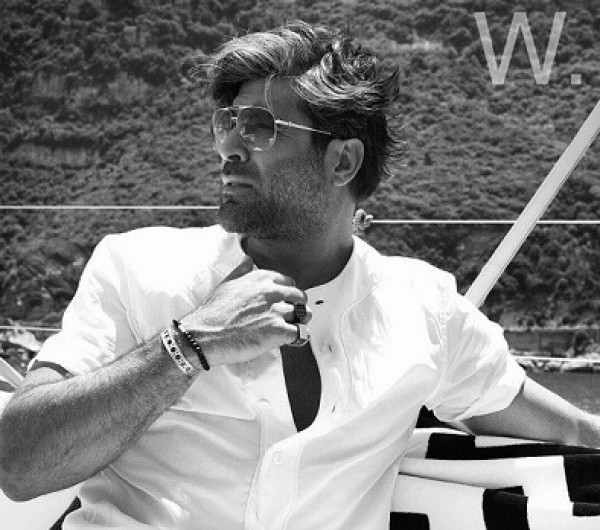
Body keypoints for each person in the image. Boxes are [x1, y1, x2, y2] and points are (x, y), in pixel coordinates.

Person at [0, 21, 598, 530]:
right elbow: (19, 465)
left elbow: (569, 429)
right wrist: (188, 345)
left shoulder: (426, 311)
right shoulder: (137, 268)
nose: (230, 147)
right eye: (226, 123)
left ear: (343, 160)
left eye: (258, 127)